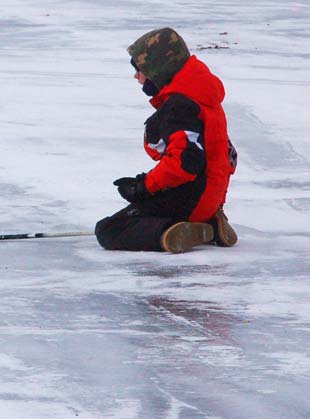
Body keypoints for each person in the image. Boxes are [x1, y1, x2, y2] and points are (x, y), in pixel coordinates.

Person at [95, 28, 239, 254]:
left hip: (192, 197)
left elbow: (184, 163)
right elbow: (226, 158)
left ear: (158, 69)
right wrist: (215, 202)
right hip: (209, 198)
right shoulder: (203, 98)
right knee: (141, 210)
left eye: (139, 70)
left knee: (110, 229)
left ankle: (174, 232)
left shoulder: (180, 106)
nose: (136, 77)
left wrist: (144, 187)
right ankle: (209, 222)